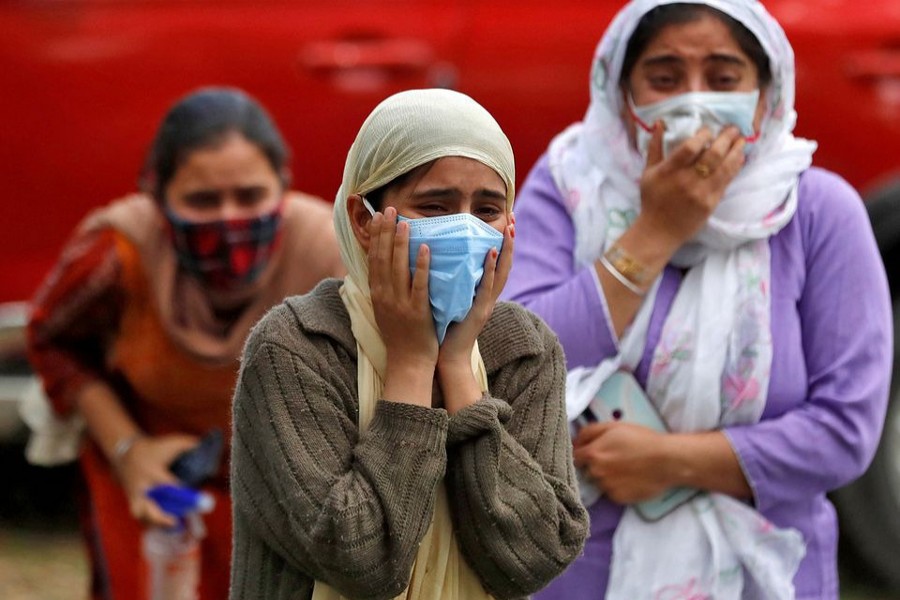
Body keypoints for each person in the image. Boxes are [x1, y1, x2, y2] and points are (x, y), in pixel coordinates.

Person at [501, 1, 892, 599]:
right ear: (622, 96)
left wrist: (671, 461)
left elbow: (845, 430)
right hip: (578, 569)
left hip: (766, 571)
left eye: (724, 77)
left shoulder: (816, 212)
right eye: (663, 78)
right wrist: (655, 231)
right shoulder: (571, 186)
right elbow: (516, 358)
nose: (694, 99)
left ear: (766, 96)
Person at [229, 88, 589, 600]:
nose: (465, 229)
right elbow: (361, 561)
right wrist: (412, 364)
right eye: (435, 206)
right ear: (363, 219)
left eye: (486, 209)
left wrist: (460, 367)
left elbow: (533, 556)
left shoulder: (523, 349)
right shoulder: (297, 347)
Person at [26, 87, 345, 600]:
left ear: (282, 187)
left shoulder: (332, 258)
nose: (228, 218)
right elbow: (53, 340)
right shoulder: (119, 253)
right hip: (149, 483)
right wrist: (129, 451)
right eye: (202, 201)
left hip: (285, 490)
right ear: (158, 197)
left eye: (249, 197)